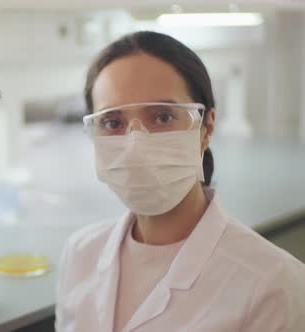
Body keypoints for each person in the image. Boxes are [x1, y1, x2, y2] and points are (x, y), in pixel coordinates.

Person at [55, 31, 305, 332]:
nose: (135, 145)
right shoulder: (80, 254)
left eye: (162, 117)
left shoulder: (274, 285)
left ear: (206, 127)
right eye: (112, 123)